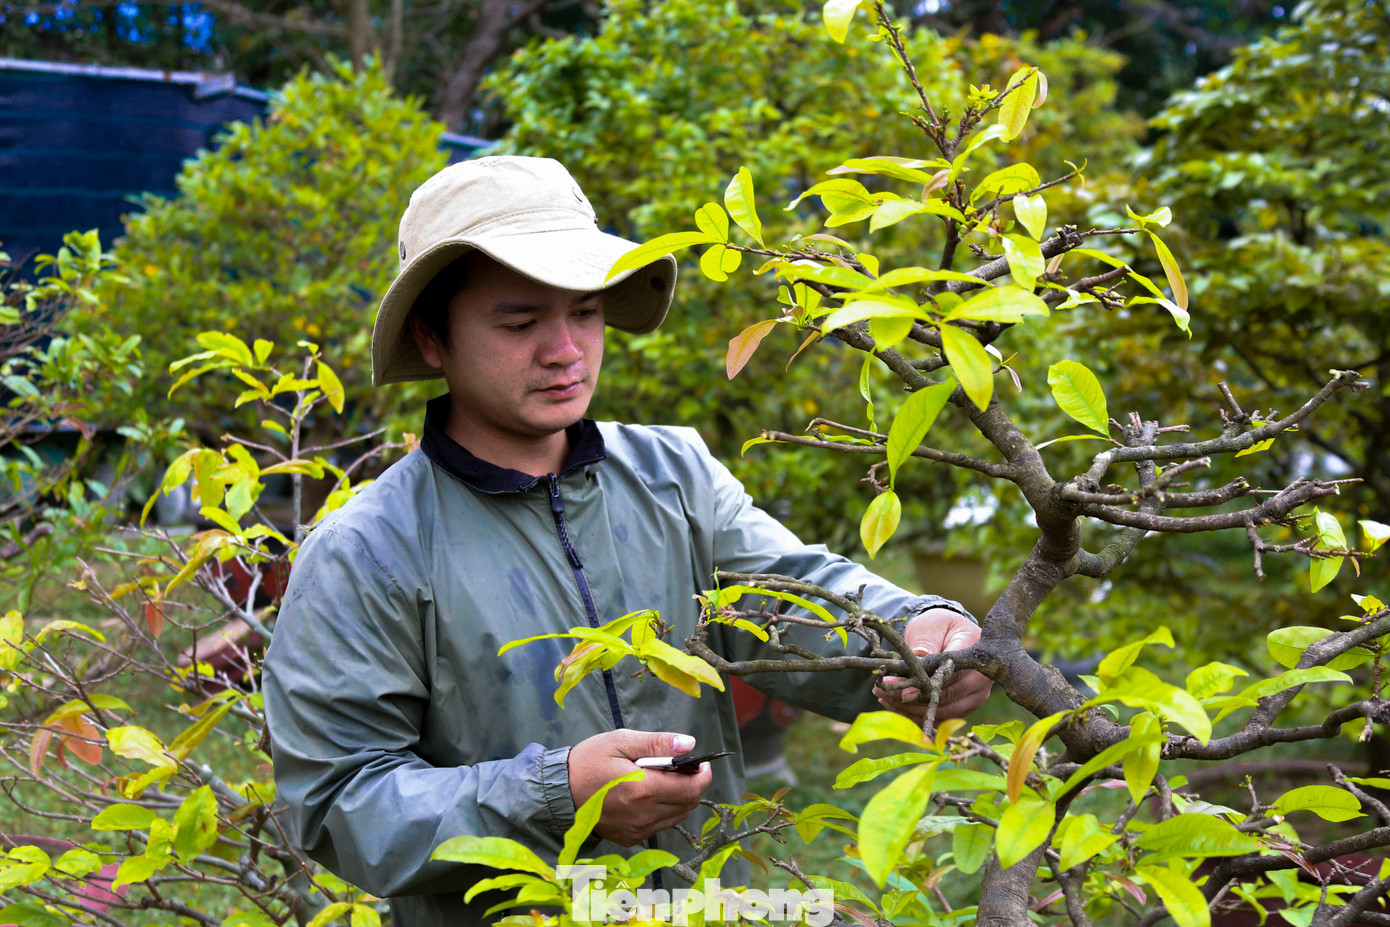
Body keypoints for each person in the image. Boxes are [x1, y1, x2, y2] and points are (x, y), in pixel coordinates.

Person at [262, 156, 991, 925]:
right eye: (518, 322)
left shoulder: (673, 474)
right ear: (431, 337)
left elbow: (788, 592)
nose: (565, 350)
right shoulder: (370, 549)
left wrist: (909, 634)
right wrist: (555, 792)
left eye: (584, 312)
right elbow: (338, 799)